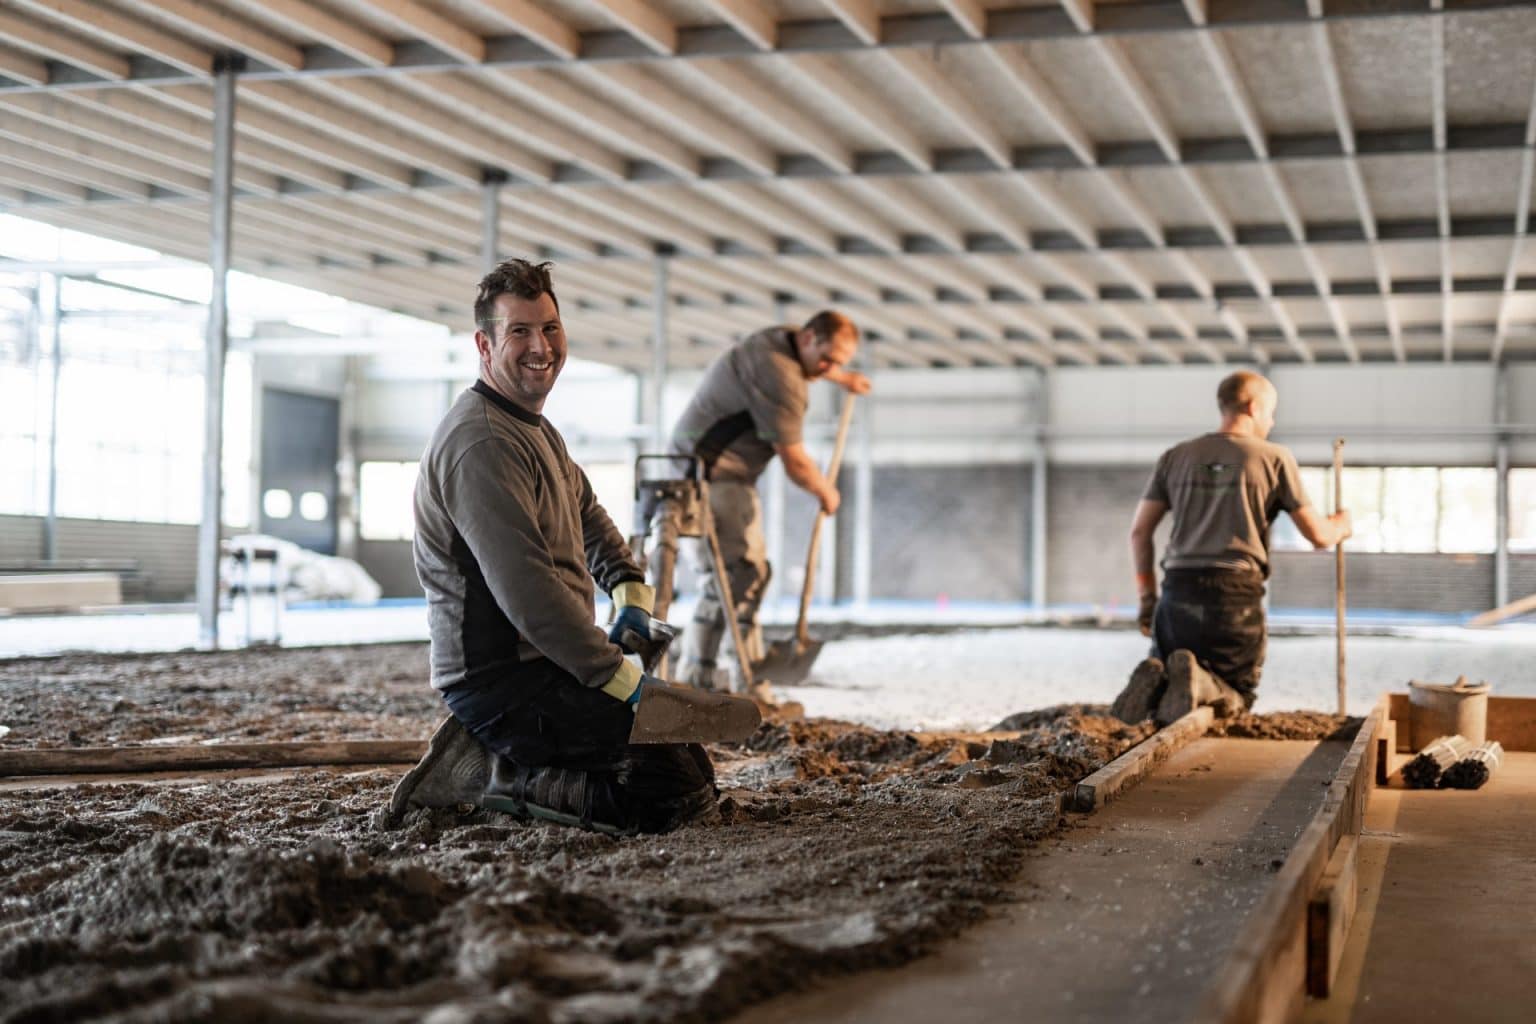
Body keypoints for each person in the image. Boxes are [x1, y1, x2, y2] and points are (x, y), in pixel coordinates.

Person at [411, 258, 715, 834]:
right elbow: (530, 595)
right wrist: (622, 680)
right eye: (519, 331)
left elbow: (588, 513)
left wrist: (629, 593)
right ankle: (495, 775)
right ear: (484, 343)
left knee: (684, 760)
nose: (540, 346)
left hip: (547, 665)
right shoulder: (481, 443)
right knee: (675, 793)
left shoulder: (532, 427)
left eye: (549, 327)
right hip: (501, 682)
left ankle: (518, 763)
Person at [1111, 370, 1352, 725]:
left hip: (1177, 593)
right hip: (1235, 598)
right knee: (1239, 692)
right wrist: (1341, 526)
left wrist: (1147, 599)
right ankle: (1203, 685)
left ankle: (1161, 682)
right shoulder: (1274, 458)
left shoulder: (1175, 456)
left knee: (1168, 673)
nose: (1271, 422)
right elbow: (1317, 536)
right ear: (1253, 407)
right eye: (1271, 412)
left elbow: (1139, 533)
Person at [667, 312, 870, 691]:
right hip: (708, 475)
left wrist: (842, 379)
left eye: (839, 363)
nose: (830, 368)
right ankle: (702, 679)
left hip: (716, 471)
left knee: (744, 576)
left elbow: (816, 363)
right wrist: (825, 491)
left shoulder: (783, 340)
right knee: (734, 577)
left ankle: (740, 675)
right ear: (809, 338)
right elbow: (795, 461)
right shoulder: (780, 376)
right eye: (828, 359)